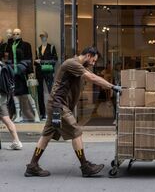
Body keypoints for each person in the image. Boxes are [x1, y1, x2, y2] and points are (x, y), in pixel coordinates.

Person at [24, 47, 121, 177]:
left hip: (56, 106)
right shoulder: (72, 63)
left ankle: (32, 166)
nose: (93, 63)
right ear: (88, 55)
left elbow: (92, 76)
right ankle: (85, 166)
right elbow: (92, 77)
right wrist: (113, 87)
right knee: (76, 131)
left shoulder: (80, 66)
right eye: (93, 60)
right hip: (58, 105)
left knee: (46, 135)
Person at [9, 28, 40, 123]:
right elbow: (10, 60)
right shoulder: (11, 46)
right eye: (14, 34)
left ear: (21, 34)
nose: (15, 35)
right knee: (15, 95)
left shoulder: (26, 45)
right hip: (14, 73)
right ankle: (19, 115)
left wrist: (30, 72)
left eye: (17, 34)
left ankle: (36, 114)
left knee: (29, 94)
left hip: (24, 73)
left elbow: (29, 59)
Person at [34, 31, 58, 120]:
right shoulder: (38, 48)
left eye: (44, 36)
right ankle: (42, 114)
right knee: (40, 93)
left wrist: (43, 62)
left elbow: (55, 60)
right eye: (41, 36)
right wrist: (36, 61)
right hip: (39, 72)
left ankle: (52, 112)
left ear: (47, 37)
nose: (42, 38)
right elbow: (35, 62)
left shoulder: (51, 47)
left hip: (48, 72)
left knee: (51, 92)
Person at [0, 60, 23, 150]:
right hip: (3, 95)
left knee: (6, 119)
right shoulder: (2, 64)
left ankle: (17, 141)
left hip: (0, 96)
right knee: (6, 118)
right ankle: (16, 141)